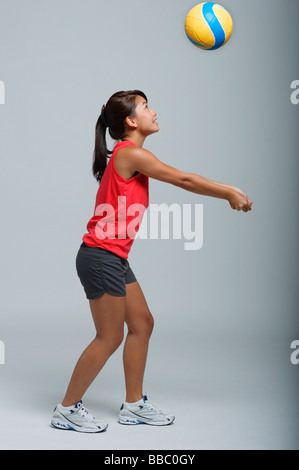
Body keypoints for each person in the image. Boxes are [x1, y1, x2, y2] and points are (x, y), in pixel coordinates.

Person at [51, 90, 253, 433]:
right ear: (131, 121)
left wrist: (228, 188)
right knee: (109, 337)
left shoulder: (130, 155)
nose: (154, 111)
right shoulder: (130, 155)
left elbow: (181, 178)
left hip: (112, 258)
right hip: (100, 257)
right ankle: (66, 409)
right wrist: (229, 191)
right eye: (146, 107)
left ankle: (133, 405)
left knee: (142, 324)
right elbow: (183, 179)